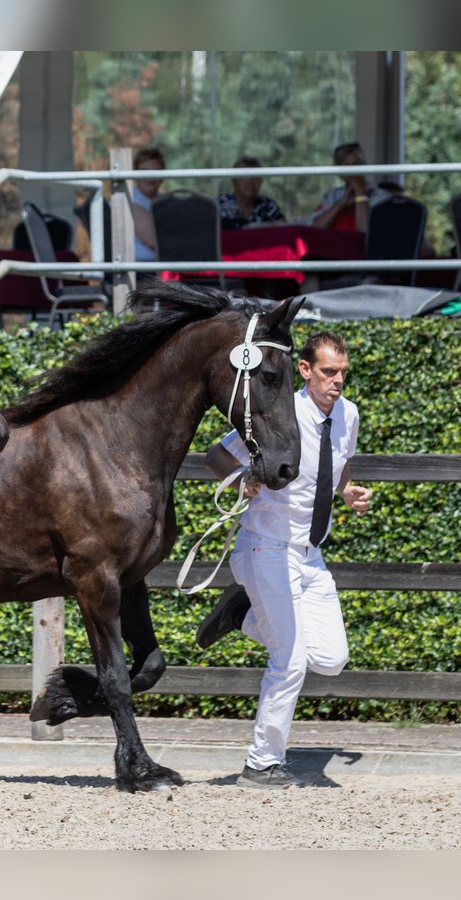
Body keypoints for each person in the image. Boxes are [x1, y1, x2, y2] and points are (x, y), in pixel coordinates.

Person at [196, 331, 373, 788]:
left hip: (311, 555)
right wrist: (242, 480)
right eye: (329, 372)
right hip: (266, 546)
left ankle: (242, 616)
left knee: (331, 658)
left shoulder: (348, 415)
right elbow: (216, 454)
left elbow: (338, 464)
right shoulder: (279, 412)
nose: (338, 381)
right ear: (307, 370)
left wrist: (346, 490)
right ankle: (261, 763)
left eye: (343, 373)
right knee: (290, 660)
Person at [309, 142, 391, 233]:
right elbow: (313, 229)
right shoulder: (331, 196)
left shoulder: (380, 196)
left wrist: (360, 194)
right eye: (346, 166)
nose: (352, 170)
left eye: (356, 164)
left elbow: (366, 233)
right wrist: (340, 204)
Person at [218, 156, 286, 229]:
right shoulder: (219, 205)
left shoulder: (268, 206)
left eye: (255, 177)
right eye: (245, 176)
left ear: (261, 182)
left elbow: (283, 230)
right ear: (234, 181)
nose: (250, 182)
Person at [128, 146, 166, 263]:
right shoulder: (127, 199)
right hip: (140, 270)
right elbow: (154, 241)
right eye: (144, 171)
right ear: (135, 175)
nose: (150, 177)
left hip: (164, 268)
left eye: (156, 172)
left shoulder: (165, 201)